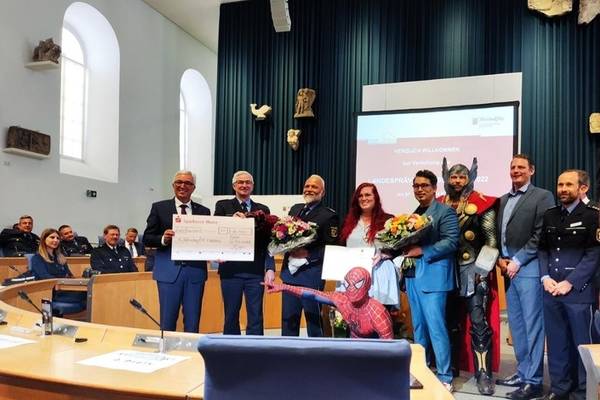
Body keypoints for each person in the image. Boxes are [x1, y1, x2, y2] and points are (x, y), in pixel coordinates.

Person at [495, 154, 555, 400]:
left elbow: (541, 233)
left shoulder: (543, 196)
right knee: (517, 326)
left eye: (521, 167)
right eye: (513, 167)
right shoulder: (502, 199)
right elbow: (498, 234)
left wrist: (518, 260)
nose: (516, 170)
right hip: (507, 268)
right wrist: (500, 258)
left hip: (528, 268)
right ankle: (522, 372)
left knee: (532, 326)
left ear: (532, 170)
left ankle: (534, 381)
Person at [438, 158, 499, 395]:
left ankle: (483, 374)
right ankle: (449, 368)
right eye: (453, 176)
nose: (457, 181)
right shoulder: (439, 203)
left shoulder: (482, 204)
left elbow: (491, 241)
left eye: (462, 177)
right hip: (444, 271)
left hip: (472, 269)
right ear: (446, 178)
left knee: (479, 324)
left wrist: (481, 272)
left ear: (470, 178)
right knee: (447, 323)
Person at [538, 169, 600, 400]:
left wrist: (570, 282)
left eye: (568, 185)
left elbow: (594, 255)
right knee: (556, 343)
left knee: (582, 345)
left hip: (579, 292)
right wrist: (545, 277)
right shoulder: (550, 215)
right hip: (551, 289)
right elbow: (543, 250)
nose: (563, 189)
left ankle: (584, 391)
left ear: (583, 188)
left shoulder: (594, 215)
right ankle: (559, 388)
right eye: (560, 184)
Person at [402, 169, 458, 391]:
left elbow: (451, 242)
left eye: (424, 185)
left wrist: (422, 251)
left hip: (435, 277)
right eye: (416, 186)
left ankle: (445, 376)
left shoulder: (445, 211)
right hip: (413, 276)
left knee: (436, 328)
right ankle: (421, 371)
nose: (420, 189)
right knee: (418, 328)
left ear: (435, 188)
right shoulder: (413, 214)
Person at [143, 170, 210, 333]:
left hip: (195, 272)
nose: (183, 186)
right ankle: (166, 349)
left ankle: (191, 348)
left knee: (193, 322)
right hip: (168, 271)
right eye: (179, 182)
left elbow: (208, 240)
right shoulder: (159, 207)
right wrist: (163, 239)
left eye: (188, 183)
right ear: (173, 185)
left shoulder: (204, 211)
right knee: (167, 321)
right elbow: (147, 238)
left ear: (193, 188)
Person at [214, 170, 274, 335]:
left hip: (255, 272)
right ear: (234, 186)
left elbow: (268, 242)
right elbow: (216, 232)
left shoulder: (263, 209)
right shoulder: (222, 206)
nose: (244, 185)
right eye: (240, 182)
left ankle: (255, 348)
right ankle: (231, 347)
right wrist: (231, 222)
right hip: (230, 271)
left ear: (252, 186)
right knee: (231, 315)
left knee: (256, 316)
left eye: (248, 182)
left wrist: (270, 268)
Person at [280, 174, 339, 337]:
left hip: (311, 276)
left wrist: (308, 255)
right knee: (288, 322)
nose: (309, 189)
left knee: (314, 326)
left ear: (322, 192)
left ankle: (317, 352)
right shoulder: (295, 209)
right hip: (290, 276)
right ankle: (287, 351)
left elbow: (331, 246)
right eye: (307, 186)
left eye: (314, 187)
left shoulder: (329, 215)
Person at [266, 267, 393, 339]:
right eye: (348, 284)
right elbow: (313, 294)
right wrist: (285, 287)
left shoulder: (377, 312)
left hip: (376, 353)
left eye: (357, 284)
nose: (352, 289)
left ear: (367, 285)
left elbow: (390, 349)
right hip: (353, 348)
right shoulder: (343, 300)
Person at [339, 183, 398, 307]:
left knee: (379, 313)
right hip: (352, 276)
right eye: (360, 196)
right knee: (352, 314)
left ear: (375, 197)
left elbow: (398, 247)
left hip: (380, 275)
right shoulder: (348, 222)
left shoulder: (388, 220)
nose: (363, 198)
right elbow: (341, 247)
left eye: (367, 195)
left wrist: (384, 255)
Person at [31, 228, 85, 306]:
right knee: (88, 295)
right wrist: (63, 282)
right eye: (52, 237)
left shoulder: (61, 258)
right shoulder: (37, 258)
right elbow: (45, 277)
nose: (55, 240)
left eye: (58, 238)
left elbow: (69, 275)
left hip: (65, 289)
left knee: (89, 292)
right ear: (43, 240)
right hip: (51, 293)